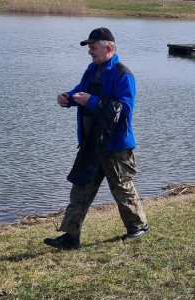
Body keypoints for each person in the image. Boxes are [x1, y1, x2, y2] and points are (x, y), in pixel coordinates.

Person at [44, 27, 149, 250]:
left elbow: (124, 109)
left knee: (122, 189)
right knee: (80, 189)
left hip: (116, 146)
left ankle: (137, 227)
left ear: (108, 48)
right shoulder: (92, 70)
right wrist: (68, 98)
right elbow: (80, 91)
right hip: (91, 144)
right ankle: (70, 237)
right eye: (89, 48)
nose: (90, 52)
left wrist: (91, 101)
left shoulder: (123, 74)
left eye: (93, 47)